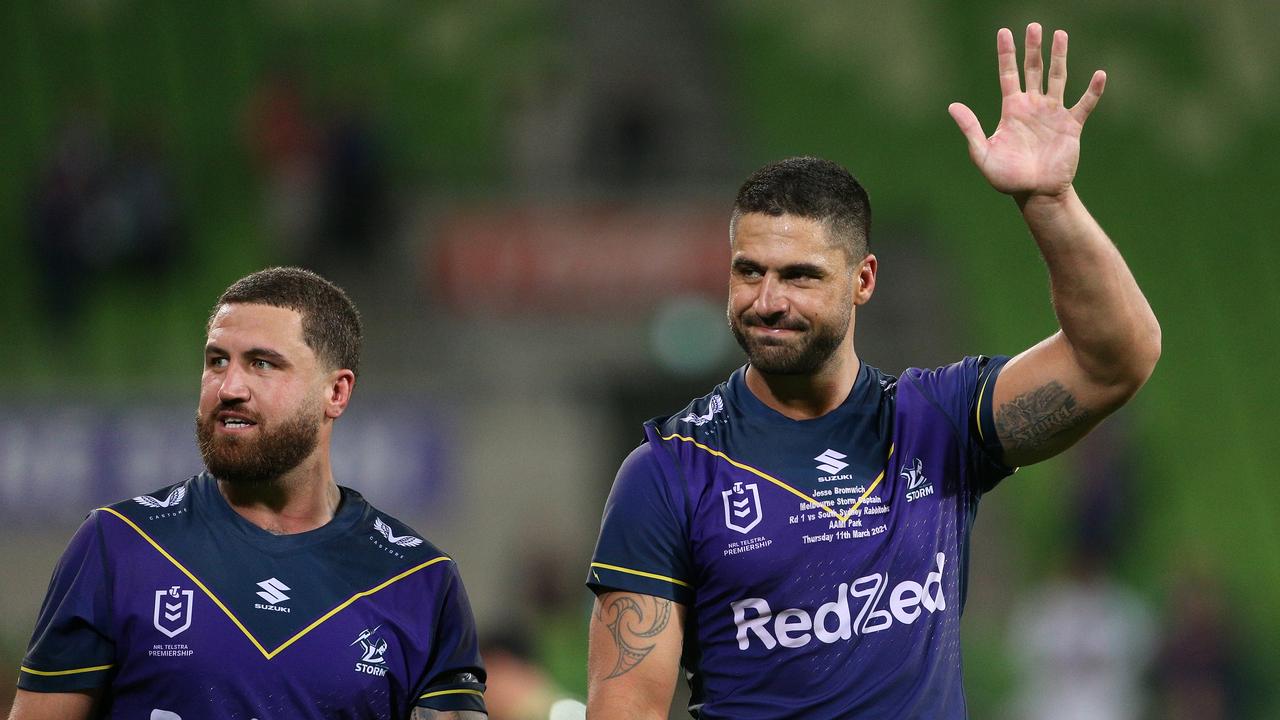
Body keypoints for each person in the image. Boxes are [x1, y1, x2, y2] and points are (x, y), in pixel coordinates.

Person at [585, 23, 1160, 719]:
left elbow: (1116, 359)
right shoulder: (669, 473)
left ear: (863, 280)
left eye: (799, 276)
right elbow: (625, 710)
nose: (768, 301)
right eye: (749, 272)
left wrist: (1050, 202)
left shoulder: (938, 424)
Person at [12, 268, 487, 719]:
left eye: (262, 363)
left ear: (336, 393)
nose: (229, 387)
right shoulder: (120, 546)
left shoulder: (419, 582)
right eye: (217, 361)